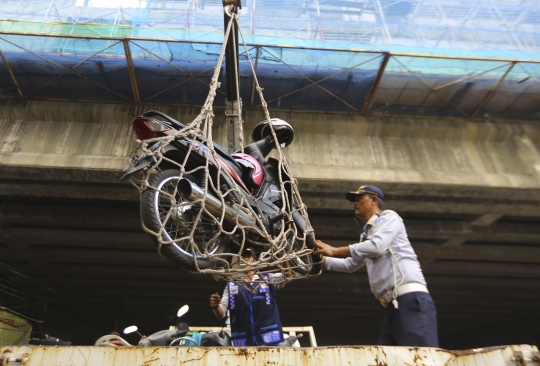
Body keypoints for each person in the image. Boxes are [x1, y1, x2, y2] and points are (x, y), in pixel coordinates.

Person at [313, 185, 439, 347]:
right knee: (388, 358)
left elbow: (377, 246)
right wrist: (319, 260)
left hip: (410, 300)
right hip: (393, 306)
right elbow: (350, 264)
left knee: (421, 358)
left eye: (359, 199)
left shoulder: (388, 217)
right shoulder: (366, 234)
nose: (355, 203)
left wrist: (334, 250)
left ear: (374, 200)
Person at [209, 247, 291, 346]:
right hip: (244, 345)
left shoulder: (266, 279)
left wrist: (282, 255)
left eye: (248, 256)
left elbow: (287, 276)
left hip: (270, 343)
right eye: (242, 257)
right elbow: (221, 313)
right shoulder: (231, 285)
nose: (245, 259)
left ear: (255, 261)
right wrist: (215, 306)